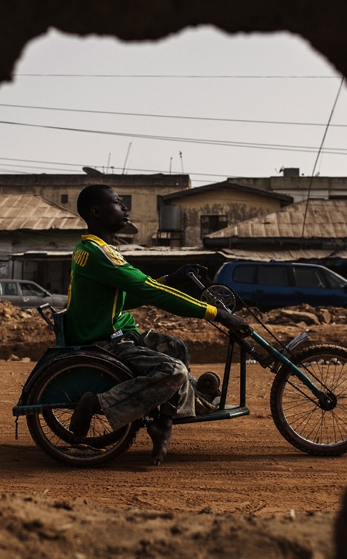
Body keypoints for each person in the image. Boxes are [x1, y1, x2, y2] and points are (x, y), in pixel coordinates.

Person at [65, 184, 250, 465]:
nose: (125, 208)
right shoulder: (100, 254)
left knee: (177, 348)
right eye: (118, 202)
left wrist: (170, 279)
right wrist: (218, 314)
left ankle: (163, 422)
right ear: (96, 211)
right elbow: (152, 293)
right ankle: (99, 403)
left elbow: (130, 295)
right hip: (103, 338)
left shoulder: (94, 249)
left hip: (112, 328)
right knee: (173, 370)